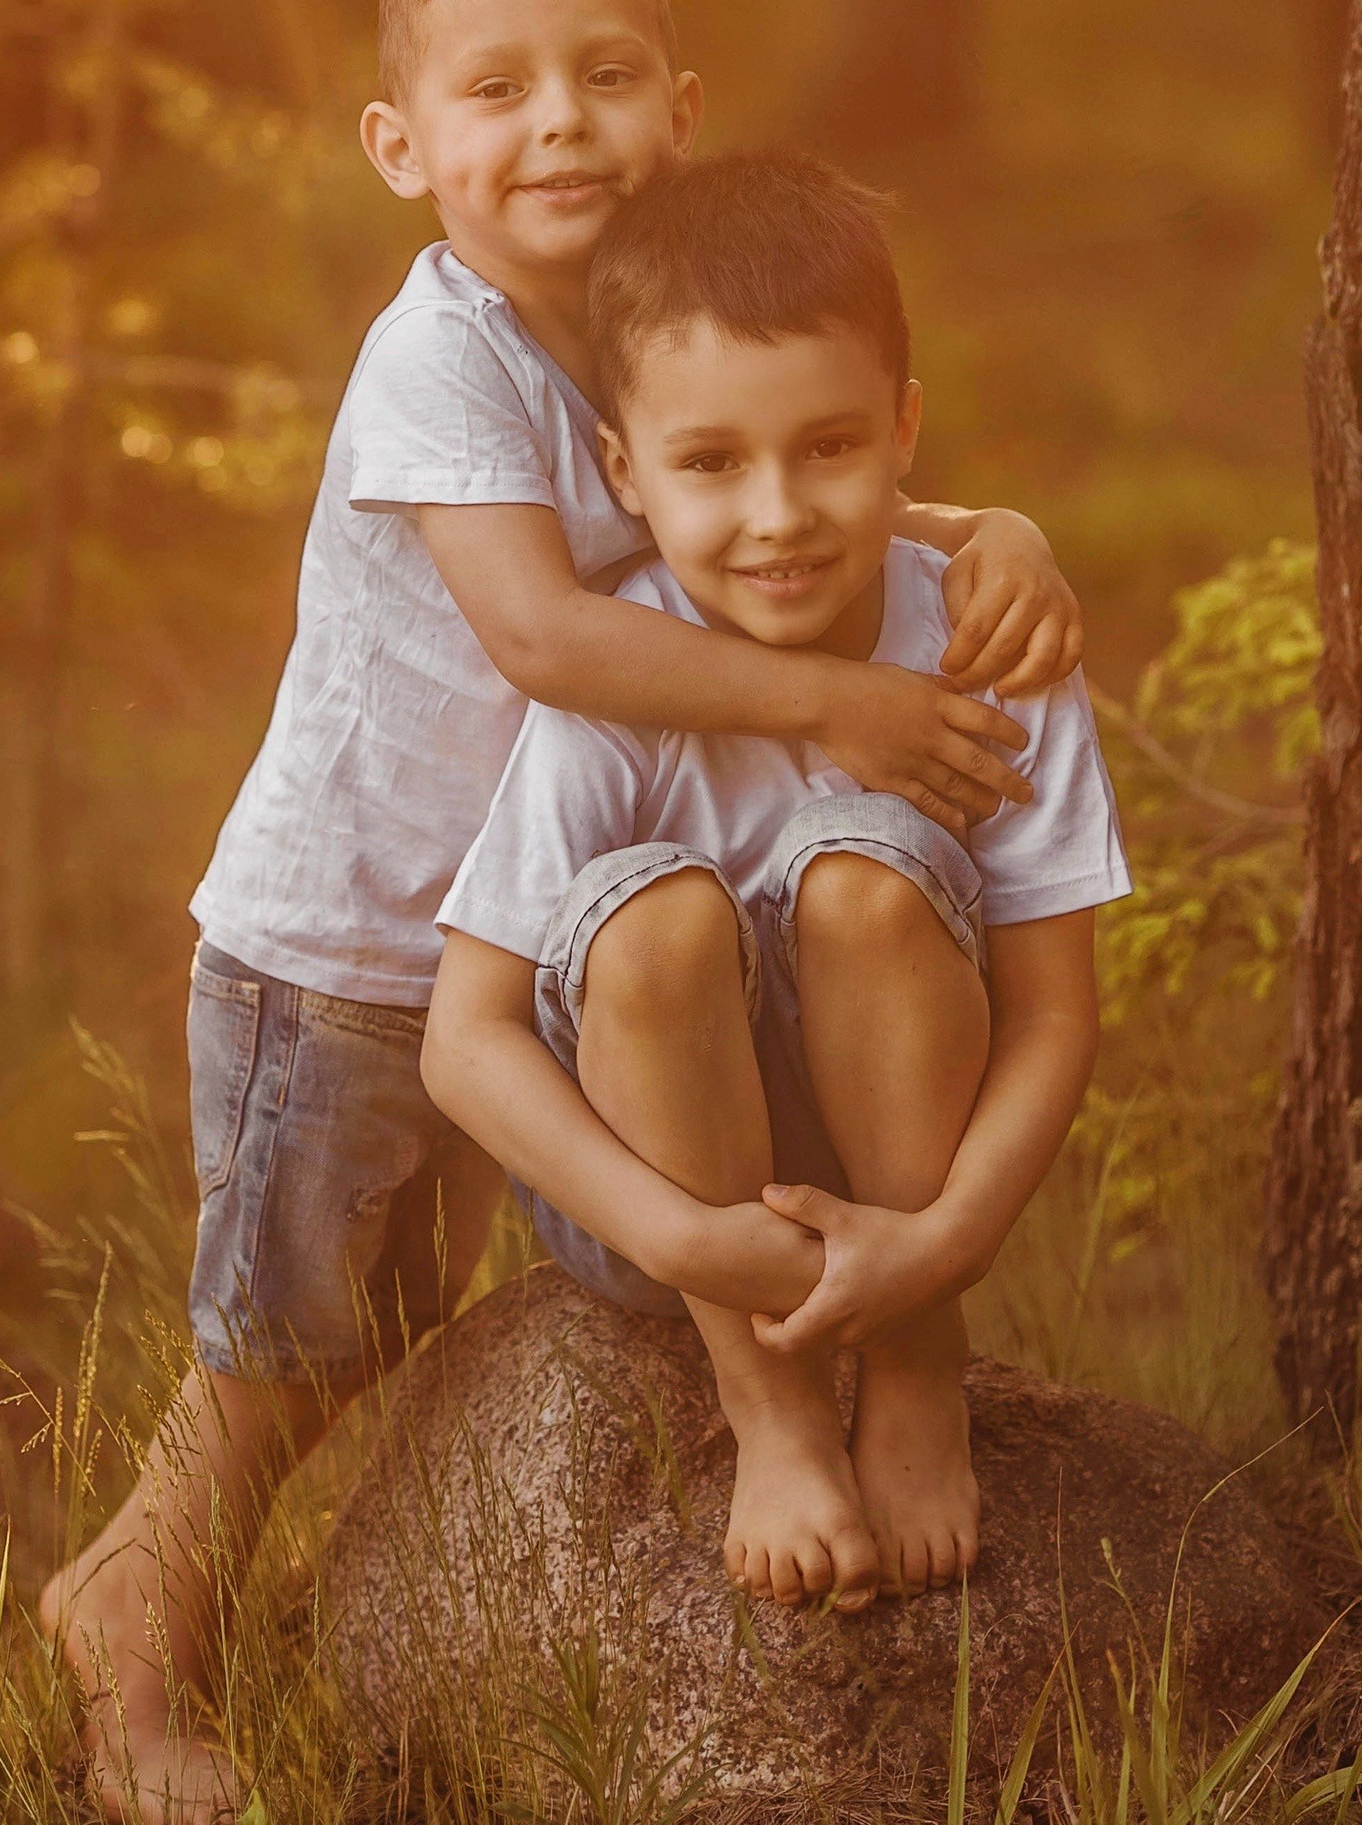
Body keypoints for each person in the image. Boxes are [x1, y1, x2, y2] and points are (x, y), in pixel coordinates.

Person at [41, 0, 1087, 1817]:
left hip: (549, 930)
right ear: (400, 147)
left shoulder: (634, 316)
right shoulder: (438, 353)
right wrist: (834, 704)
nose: (558, 128)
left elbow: (748, 466)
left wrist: (982, 533)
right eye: (496, 90)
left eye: (602, 77)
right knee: (287, 1356)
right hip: (356, 950)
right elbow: (541, 631)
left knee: (433, 1316)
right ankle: (131, 1642)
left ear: (677, 108)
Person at [422, 147, 1128, 1609]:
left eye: (828, 446)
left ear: (905, 427)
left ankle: (916, 1372)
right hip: (674, 1204)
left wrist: (944, 1250)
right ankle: (774, 1409)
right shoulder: (622, 678)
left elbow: (1057, 1011)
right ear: (624, 470)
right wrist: (683, 1234)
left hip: (910, 1176)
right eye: (709, 464)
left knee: (864, 876)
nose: (779, 515)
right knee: (652, 918)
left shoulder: (990, 646)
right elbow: (465, 1036)